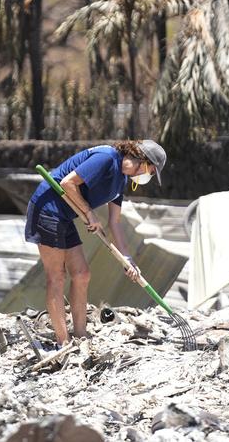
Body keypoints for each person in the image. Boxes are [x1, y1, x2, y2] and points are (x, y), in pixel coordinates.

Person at [25, 139, 167, 346]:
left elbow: (115, 222)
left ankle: (81, 336)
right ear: (140, 159)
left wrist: (128, 259)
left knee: (82, 274)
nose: (148, 176)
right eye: (151, 171)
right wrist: (89, 213)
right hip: (47, 209)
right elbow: (67, 183)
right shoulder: (106, 158)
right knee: (56, 277)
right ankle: (63, 342)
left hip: (65, 216)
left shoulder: (121, 182)